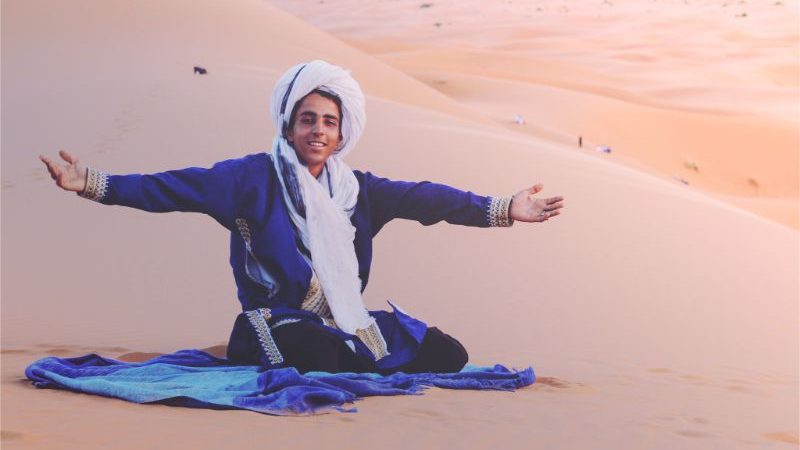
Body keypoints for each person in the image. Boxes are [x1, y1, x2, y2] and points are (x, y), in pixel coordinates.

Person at [39, 60, 564, 375]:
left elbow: (425, 199)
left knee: (446, 353)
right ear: (289, 127)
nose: (318, 130)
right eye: (307, 119)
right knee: (325, 356)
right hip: (272, 321)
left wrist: (502, 210)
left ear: (341, 134)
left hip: (342, 318)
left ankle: (354, 353)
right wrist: (93, 184)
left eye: (329, 122)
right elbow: (174, 187)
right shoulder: (249, 178)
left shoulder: (358, 191)